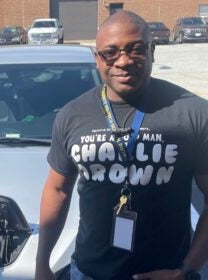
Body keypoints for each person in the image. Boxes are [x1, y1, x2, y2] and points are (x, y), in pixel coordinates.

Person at [35, 10, 208, 280]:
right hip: (90, 272)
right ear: (97, 59)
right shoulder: (72, 115)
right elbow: (57, 190)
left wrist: (186, 270)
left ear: (152, 50)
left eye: (135, 49)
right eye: (111, 52)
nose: (124, 61)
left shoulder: (193, 113)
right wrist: (41, 263)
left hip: (166, 273)